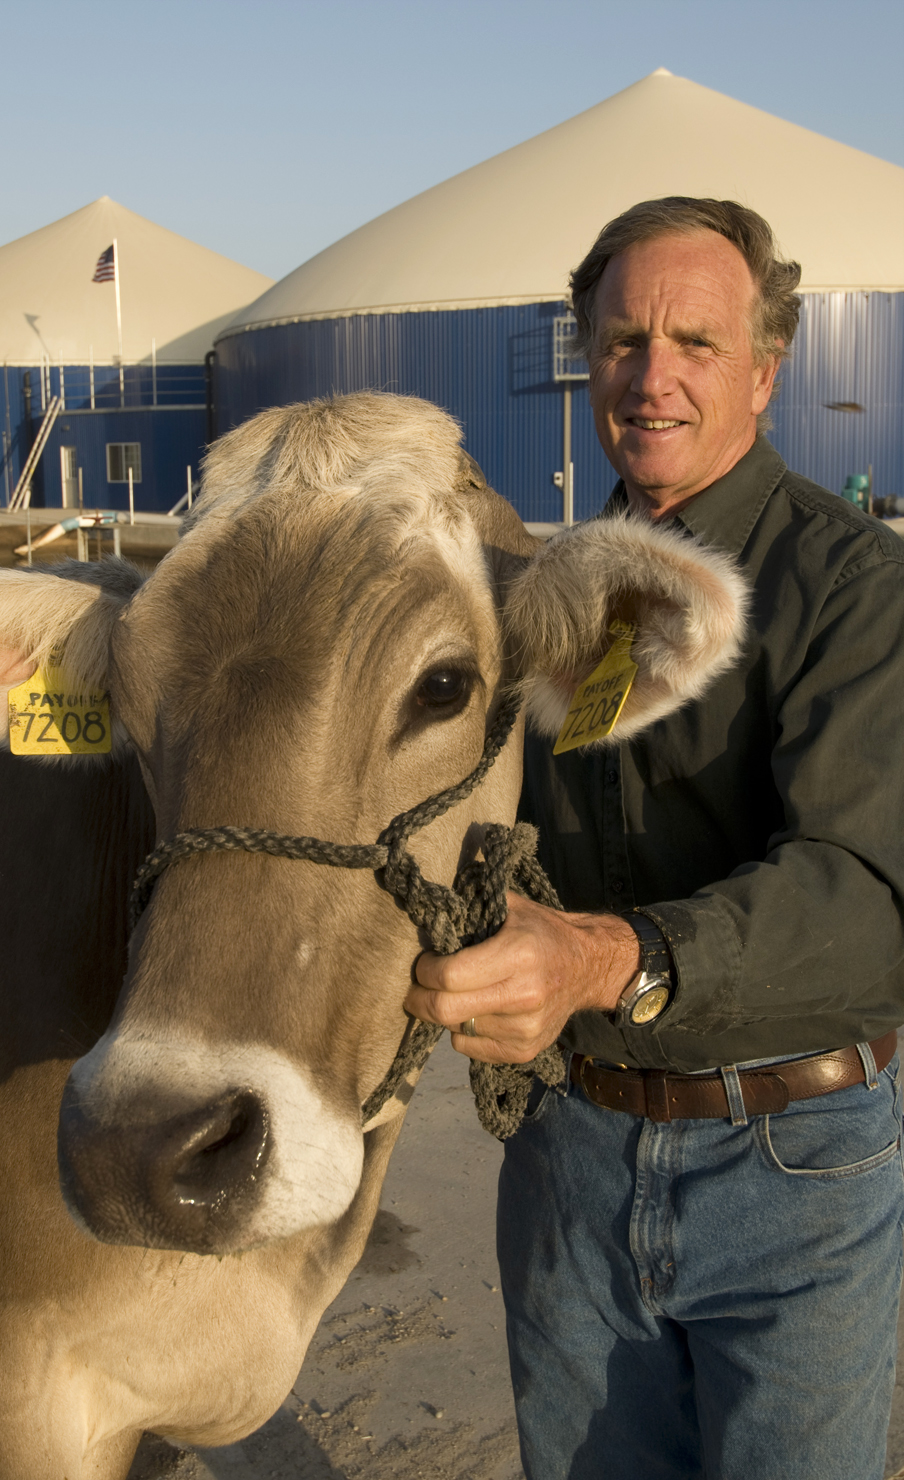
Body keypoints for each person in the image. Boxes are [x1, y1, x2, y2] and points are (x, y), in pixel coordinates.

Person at [406, 197, 904, 1480]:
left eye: (694, 339)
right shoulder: (556, 590)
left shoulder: (852, 587)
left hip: (788, 1165)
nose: (652, 375)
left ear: (765, 367)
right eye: (622, 340)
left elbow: (862, 894)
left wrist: (606, 957)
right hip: (571, 1156)